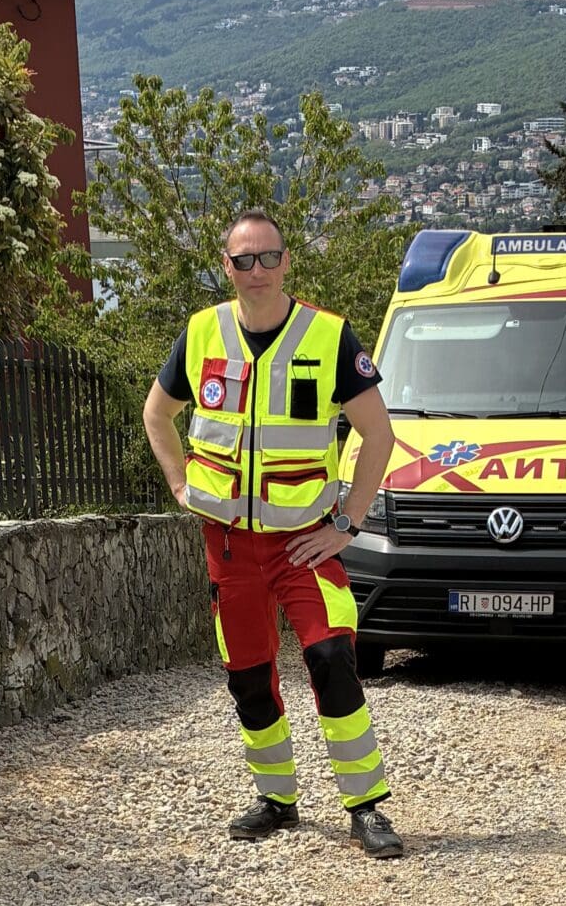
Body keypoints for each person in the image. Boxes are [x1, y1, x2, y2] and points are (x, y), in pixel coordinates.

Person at [141, 210, 406, 859]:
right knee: (249, 676)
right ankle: (277, 799)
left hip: (306, 543)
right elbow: (157, 414)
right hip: (229, 546)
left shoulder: (330, 336)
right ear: (225, 267)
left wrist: (347, 523)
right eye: (242, 260)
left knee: (331, 660)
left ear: (287, 262)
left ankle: (365, 807)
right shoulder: (202, 331)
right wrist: (180, 486)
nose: (255, 271)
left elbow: (379, 436)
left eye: (267, 258)